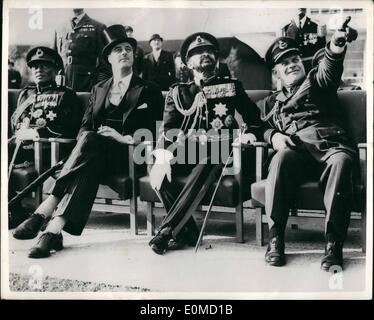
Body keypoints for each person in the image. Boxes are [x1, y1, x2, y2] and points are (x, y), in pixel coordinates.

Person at [13, 25, 164, 258]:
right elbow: (86, 125)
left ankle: (44, 211)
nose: (124, 52)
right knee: (88, 144)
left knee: (89, 140)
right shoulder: (99, 88)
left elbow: (156, 131)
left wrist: (123, 138)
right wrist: (89, 139)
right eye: (118, 50)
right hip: (94, 156)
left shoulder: (149, 90)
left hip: (127, 156)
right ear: (109, 59)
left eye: (128, 49)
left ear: (134, 56)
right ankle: (52, 231)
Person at [147, 32, 263, 255]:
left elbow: (254, 120)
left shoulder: (231, 86)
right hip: (188, 150)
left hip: (221, 151)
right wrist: (163, 157)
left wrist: (250, 134)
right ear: (188, 62)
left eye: (209, 51)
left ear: (217, 58)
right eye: (197, 53)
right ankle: (186, 231)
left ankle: (167, 230)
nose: (205, 54)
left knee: (210, 158)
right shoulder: (177, 92)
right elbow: (169, 129)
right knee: (156, 165)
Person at [257, 19, 358, 270]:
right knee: (279, 158)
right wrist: (274, 137)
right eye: (284, 63)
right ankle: (276, 239)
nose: (291, 65)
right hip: (297, 153)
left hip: (329, 148)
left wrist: (335, 44)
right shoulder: (271, 103)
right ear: (276, 73)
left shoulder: (316, 81)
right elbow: (260, 127)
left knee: (342, 161)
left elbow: (329, 67)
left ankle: (334, 244)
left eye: (294, 60)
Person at [8, 46, 83, 228]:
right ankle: (14, 209)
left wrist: (37, 134)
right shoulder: (26, 94)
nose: (38, 70)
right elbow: (14, 123)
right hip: (21, 149)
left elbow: (71, 129)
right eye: (35, 66)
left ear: (56, 69)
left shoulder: (66, 95)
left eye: (44, 66)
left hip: (50, 150)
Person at [53, 8, 111, 92]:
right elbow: (53, 60)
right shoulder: (59, 28)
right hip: (62, 84)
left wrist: (98, 88)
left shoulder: (98, 27)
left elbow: (105, 65)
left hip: (87, 85)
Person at [282, 8, 326, 72]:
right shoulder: (286, 28)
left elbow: (322, 51)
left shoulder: (316, 26)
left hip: (313, 69)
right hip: (294, 70)